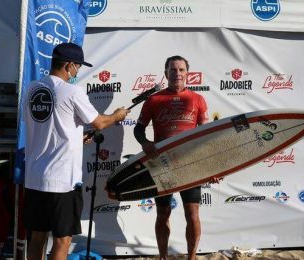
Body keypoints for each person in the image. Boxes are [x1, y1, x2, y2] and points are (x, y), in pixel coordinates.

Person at [22, 42, 130, 260]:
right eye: (78, 67)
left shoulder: (31, 89)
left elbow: (50, 128)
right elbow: (99, 123)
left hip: (34, 179)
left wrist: (75, 139)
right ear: (69, 65)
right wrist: (117, 116)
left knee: (37, 238)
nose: (77, 71)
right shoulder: (72, 91)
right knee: (63, 241)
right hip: (62, 182)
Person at [133, 55, 213, 260]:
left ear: (187, 73)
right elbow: (139, 128)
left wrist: (210, 166)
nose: (177, 73)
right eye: (173, 69)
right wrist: (145, 143)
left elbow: (206, 137)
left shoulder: (197, 99)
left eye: (181, 69)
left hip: (190, 164)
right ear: (166, 72)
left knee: (192, 214)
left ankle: (192, 257)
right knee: (162, 213)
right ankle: (162, 257)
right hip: (163, 164)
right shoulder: (154, 99)